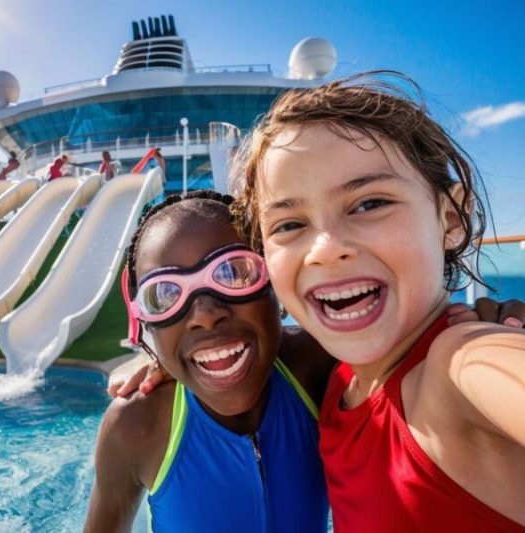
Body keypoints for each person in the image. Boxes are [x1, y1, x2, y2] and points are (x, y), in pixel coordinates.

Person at [120, 71, 525, 530]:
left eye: (370, 203)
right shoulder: (335, 382)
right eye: (289, 225)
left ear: (450, 218)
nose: (326, 247)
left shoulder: (462, 367)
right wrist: (178, 351)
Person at [85, 192, 331, 532]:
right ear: (146, 328)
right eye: (165, 295)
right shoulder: (139, 425)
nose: (206, 315)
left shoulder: (316, 366)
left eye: (233, 272)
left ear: (274, 280)